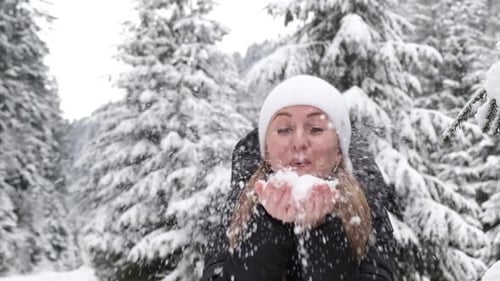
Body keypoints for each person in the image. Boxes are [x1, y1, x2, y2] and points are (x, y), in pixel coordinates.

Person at [202, 75, 397, 281]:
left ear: (339, 150)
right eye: (284, 129)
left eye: (315, 129)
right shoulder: (241, 205)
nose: (299, 142)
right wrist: (270, 226)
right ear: (266, 150)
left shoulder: (365, 207)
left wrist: (321, 232)